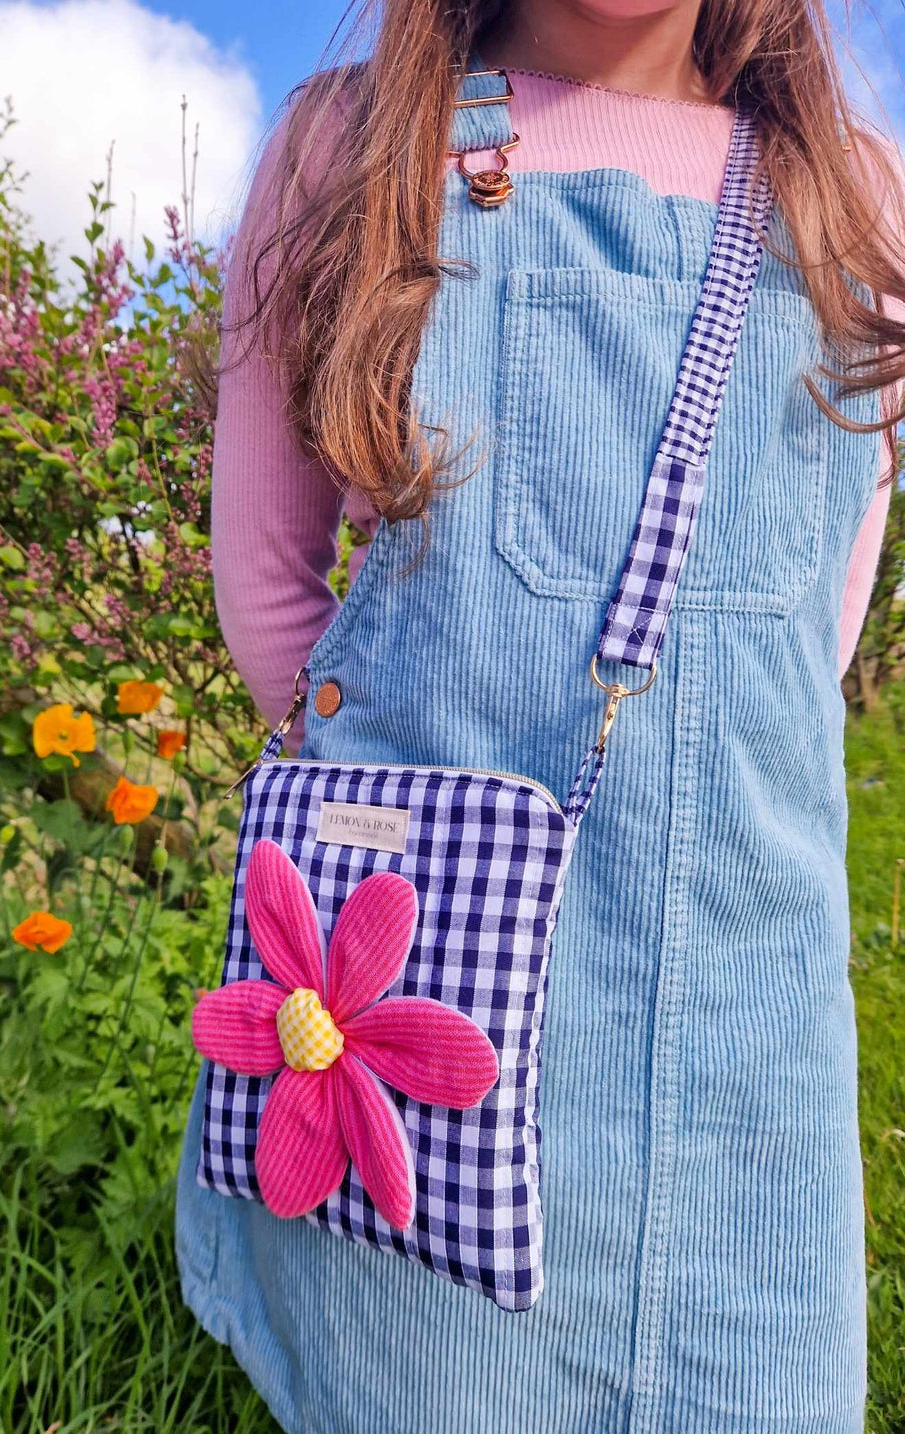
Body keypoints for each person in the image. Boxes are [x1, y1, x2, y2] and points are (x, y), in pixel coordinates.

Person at [177, 3, 905, 1431]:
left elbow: (810, 625)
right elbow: (267, 574)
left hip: (745, 1032)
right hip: (430, 1006)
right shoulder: (353, 147)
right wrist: (400, 832)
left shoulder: (854, 198)